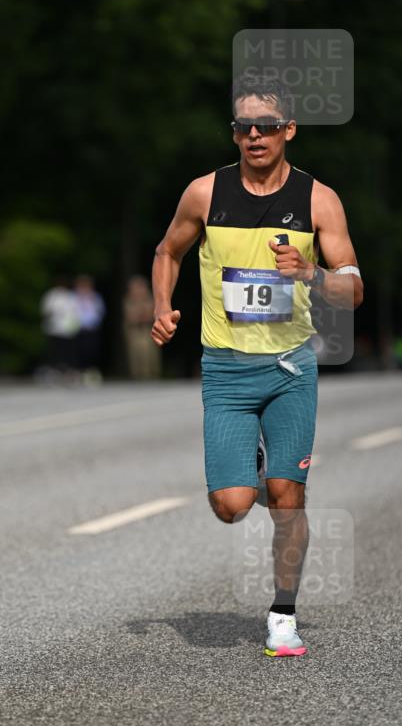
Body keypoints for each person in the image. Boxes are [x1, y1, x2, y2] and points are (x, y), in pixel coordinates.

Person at [151, 74, 363, 657]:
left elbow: (352, 291)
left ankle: (283, 615)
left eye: (266, 126)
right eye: (244, 126)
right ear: (234, 133)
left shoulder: (318, 200)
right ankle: (262, 469)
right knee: (231, 506)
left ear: (288, 130)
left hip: (290, 368)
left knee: (288, 497)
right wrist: (162, 305)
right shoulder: (204, 193)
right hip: (225, 370)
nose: (254, 136)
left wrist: (310, 273)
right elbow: (168, 251)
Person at [39, 276, 80, 377]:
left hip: (67, 330)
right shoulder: (51, 295)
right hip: (54, 329)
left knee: (67, 351)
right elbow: (45, 311)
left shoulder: (70, 297)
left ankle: (67, 370)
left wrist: (74, 326)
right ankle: (53, 369)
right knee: (54, 350)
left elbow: (75, 313)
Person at [123, 275, 161, 380]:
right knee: (135, 353)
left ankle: (151, 374)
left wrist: (141, 315)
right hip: (134, 330)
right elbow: (130, 316)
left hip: (148, 329)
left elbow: (151, 314)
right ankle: (137, 375)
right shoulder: (129, 301)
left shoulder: (149, 299)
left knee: (149, 353)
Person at [73, 274, 106, 382]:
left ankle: (91, 371)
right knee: (78, 351)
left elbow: (101, 311)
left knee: (91, 350)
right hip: (78, 328)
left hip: (92, 329)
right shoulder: (73, 297)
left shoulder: (95, 297)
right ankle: (79, 371)